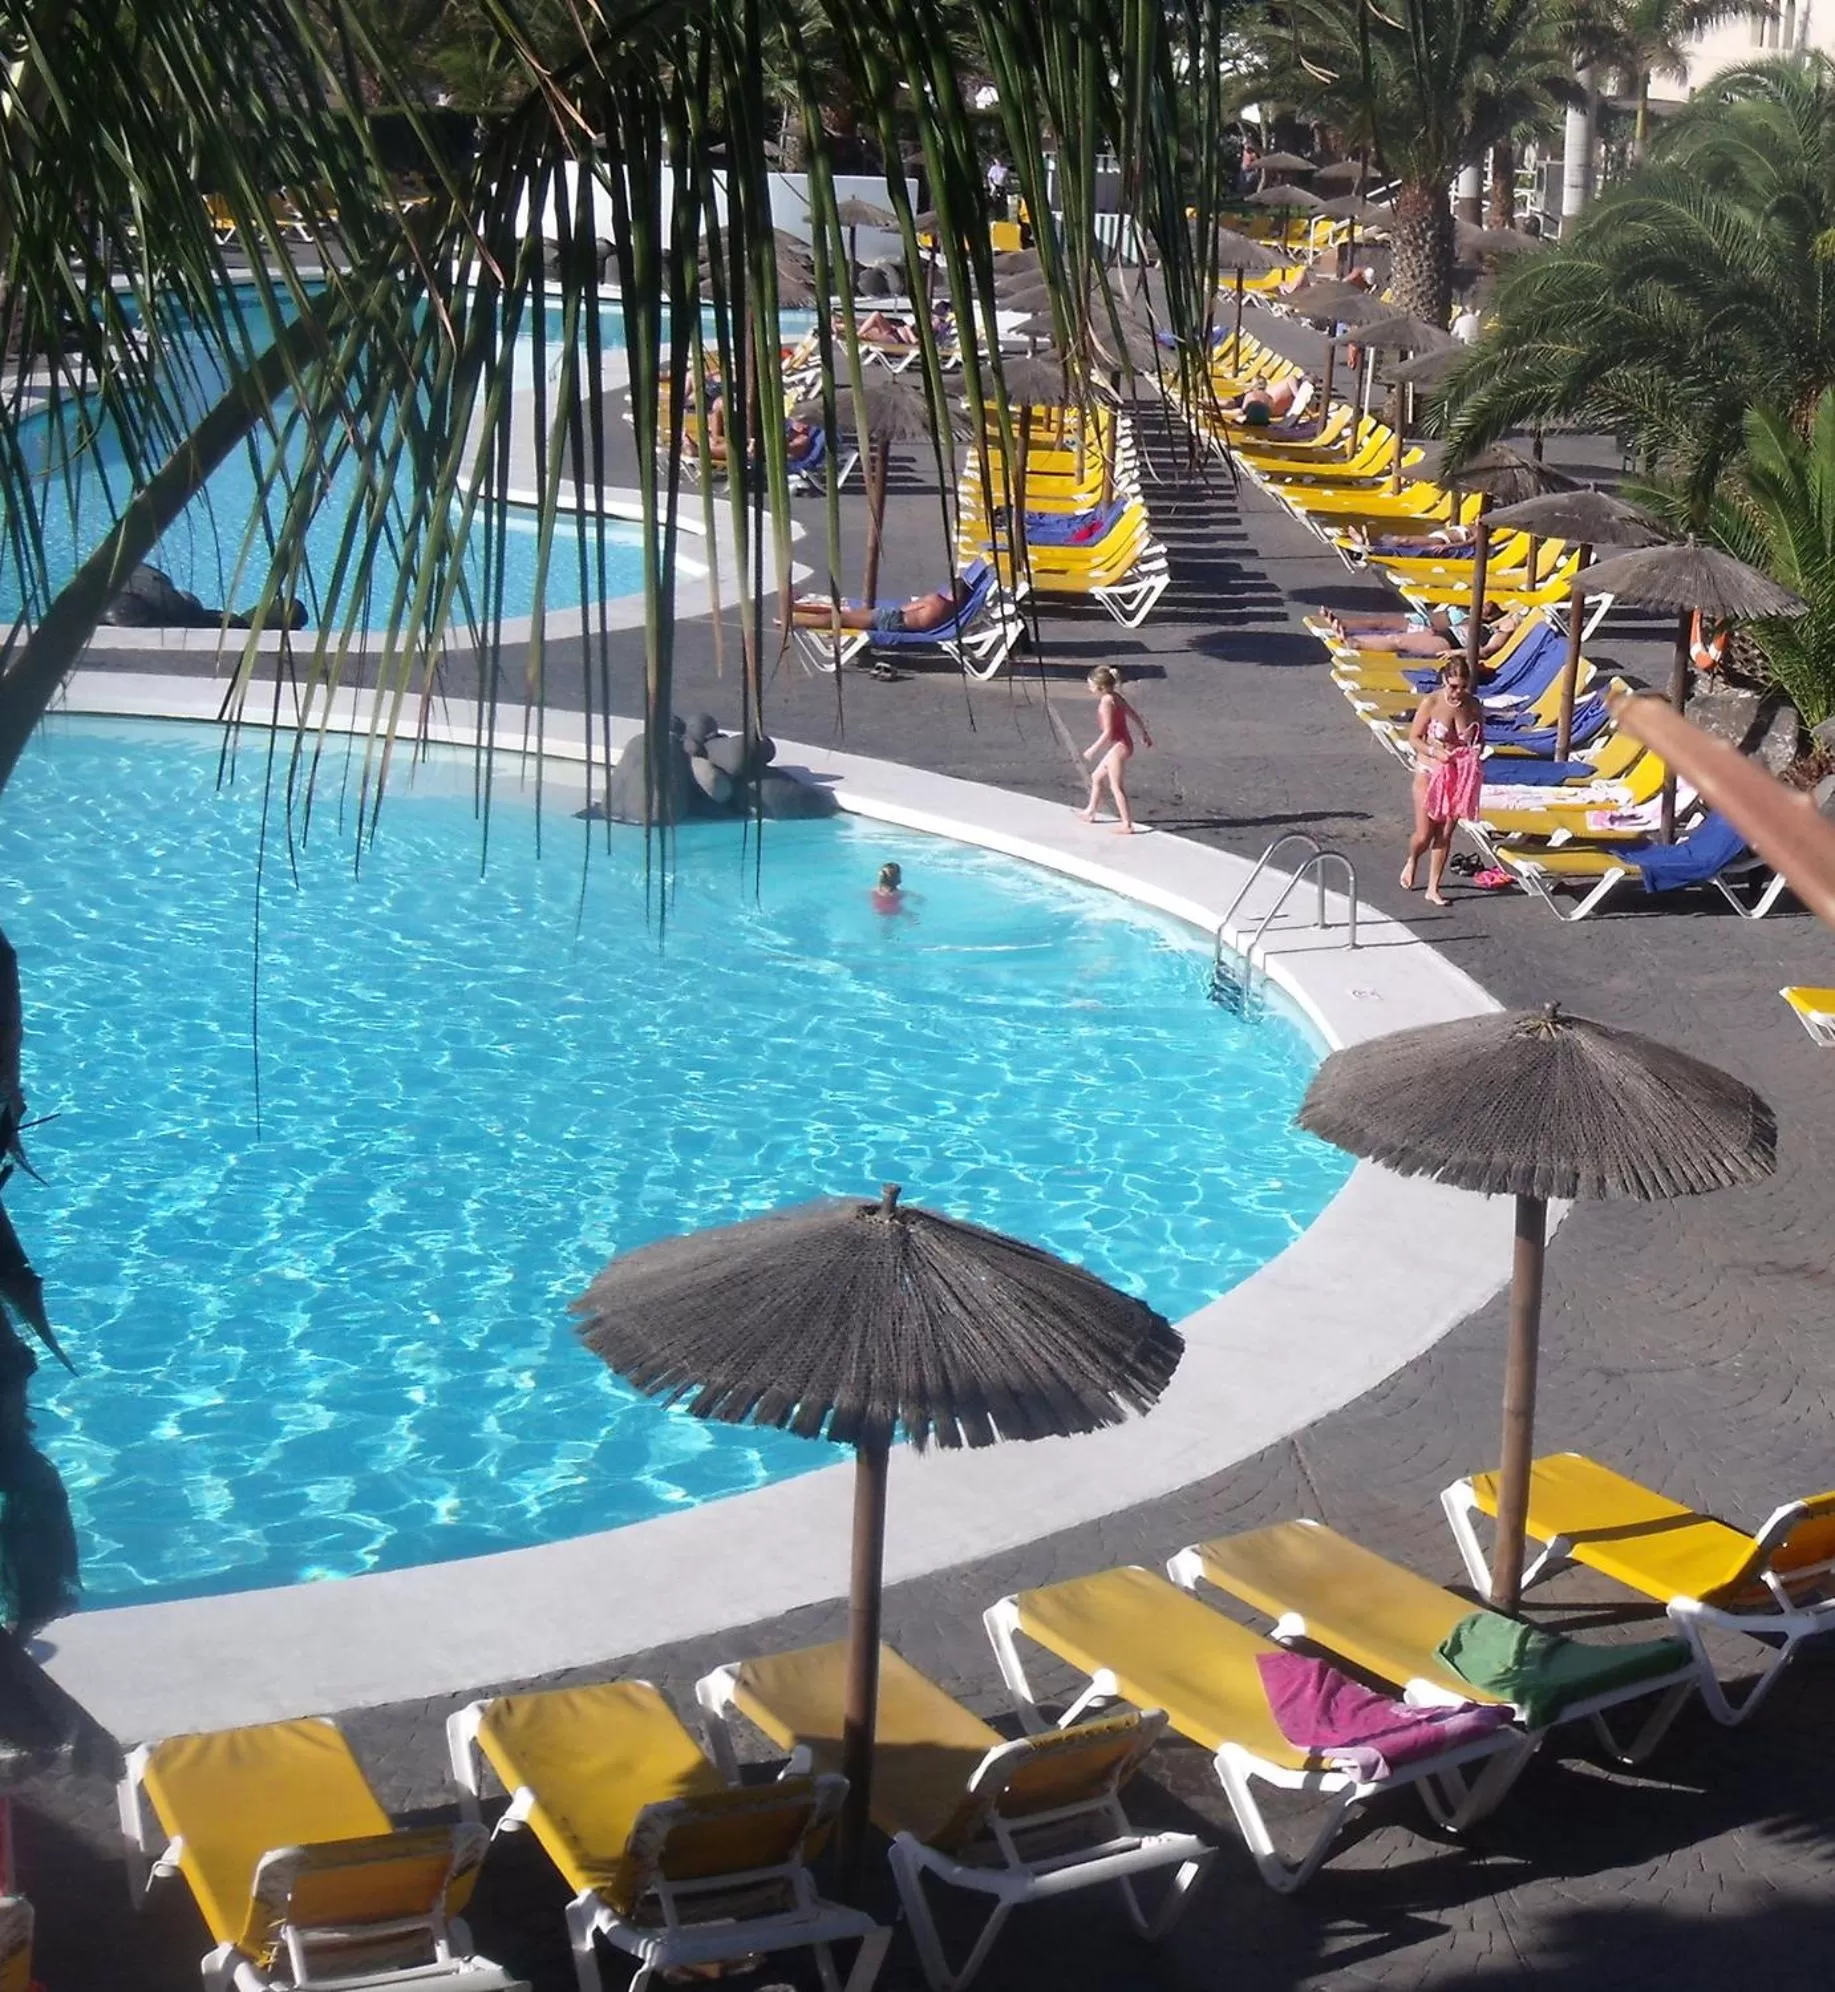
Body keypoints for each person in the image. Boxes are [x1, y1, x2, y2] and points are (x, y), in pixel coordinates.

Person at [1402, 656, 1486, 905]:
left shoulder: (1473, 705)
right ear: (1444, 681)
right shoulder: (1432, 702)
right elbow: (1414, 738)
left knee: (1446, 832)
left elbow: (1481, 736)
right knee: (1425, 834)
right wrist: (1434, 752)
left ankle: (1433, 887)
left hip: (1458, 774)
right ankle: (1413, 859)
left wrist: (1476, 750)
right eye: (1453, 686)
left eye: (1462, 686)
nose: (1457, 692)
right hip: (1429, 770)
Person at [1080, 664, 1153, 834]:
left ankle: (1127, 824)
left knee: (1116, 786)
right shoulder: (1115, 697)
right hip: (1123, 745)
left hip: (1119, 747)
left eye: (1091, 686)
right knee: (1096, 776)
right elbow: (1133, 714)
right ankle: (1091, 811)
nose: (1089, 688)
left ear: (1101, 688)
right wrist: (1144, 733)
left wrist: (1092, 749)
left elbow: (1108, 732)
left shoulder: (1106, 702)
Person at [789, 574, 972, 633]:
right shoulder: (954, 614)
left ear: (950, 591)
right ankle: (799, 608)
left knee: (842, 617)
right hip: (899, 623)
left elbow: (905, 608)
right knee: (847, 612)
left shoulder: (935, 600)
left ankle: (796, 620)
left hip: (892, 619)